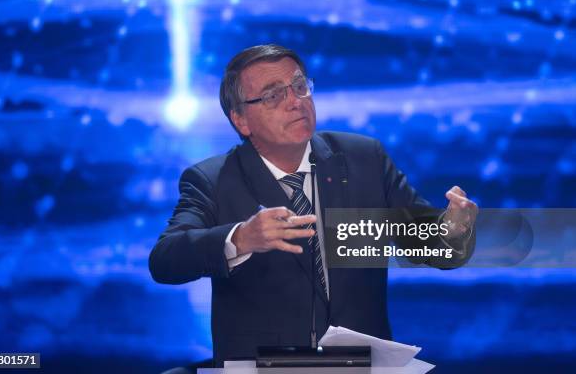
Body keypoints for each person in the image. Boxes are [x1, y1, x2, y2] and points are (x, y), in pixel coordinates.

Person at [149, 44, 477, 370]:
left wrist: (454, 230)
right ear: (241, 120)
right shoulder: (212, 180)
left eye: (299, 86)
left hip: (360, 367)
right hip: (264, 367)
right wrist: (240, 239)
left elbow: (435, 249)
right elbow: (165, 260)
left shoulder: (364, 159)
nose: (295, 102)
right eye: (273, 96)